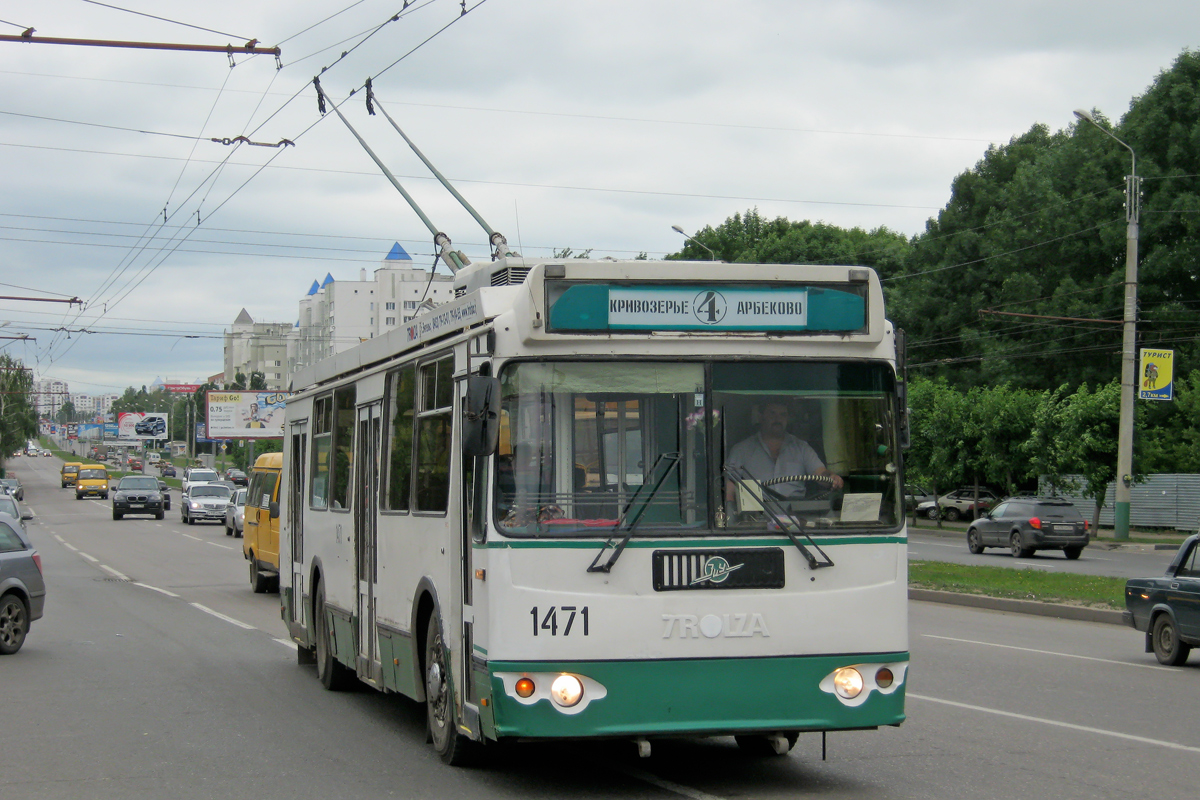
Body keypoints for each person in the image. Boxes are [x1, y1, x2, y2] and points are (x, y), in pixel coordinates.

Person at [725, 400, 843, 504]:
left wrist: (832, 478)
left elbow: (820, 473)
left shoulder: (801, 448)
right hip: (756, 517)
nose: (778, 419)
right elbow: (730, 486)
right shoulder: (741, 450)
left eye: (783, 414)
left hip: (796, 517)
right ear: (761, 417)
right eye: (772, 413)